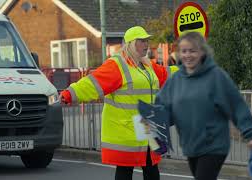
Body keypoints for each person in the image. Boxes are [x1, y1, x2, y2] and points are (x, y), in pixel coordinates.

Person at [60, 26, 177, 180]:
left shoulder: (147, 65)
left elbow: (165, 74)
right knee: (125, 169)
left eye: (147, 40)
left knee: (151, 168)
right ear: (131, 44)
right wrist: (69, 94)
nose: (146, 44)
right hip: (126, 128)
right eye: (142, 41)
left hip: (147, 125)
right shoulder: (117, 65)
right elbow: (93, 84)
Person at [154, 31, 252, 180]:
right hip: (191, 145)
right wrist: (152, 122)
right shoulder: (176, 79)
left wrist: (250, 134)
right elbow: (163, 107)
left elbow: (236, 104)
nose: (188, 55)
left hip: (213, 144)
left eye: (192, 51)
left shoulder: (216, 76)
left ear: (202, 52)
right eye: (184, 51)